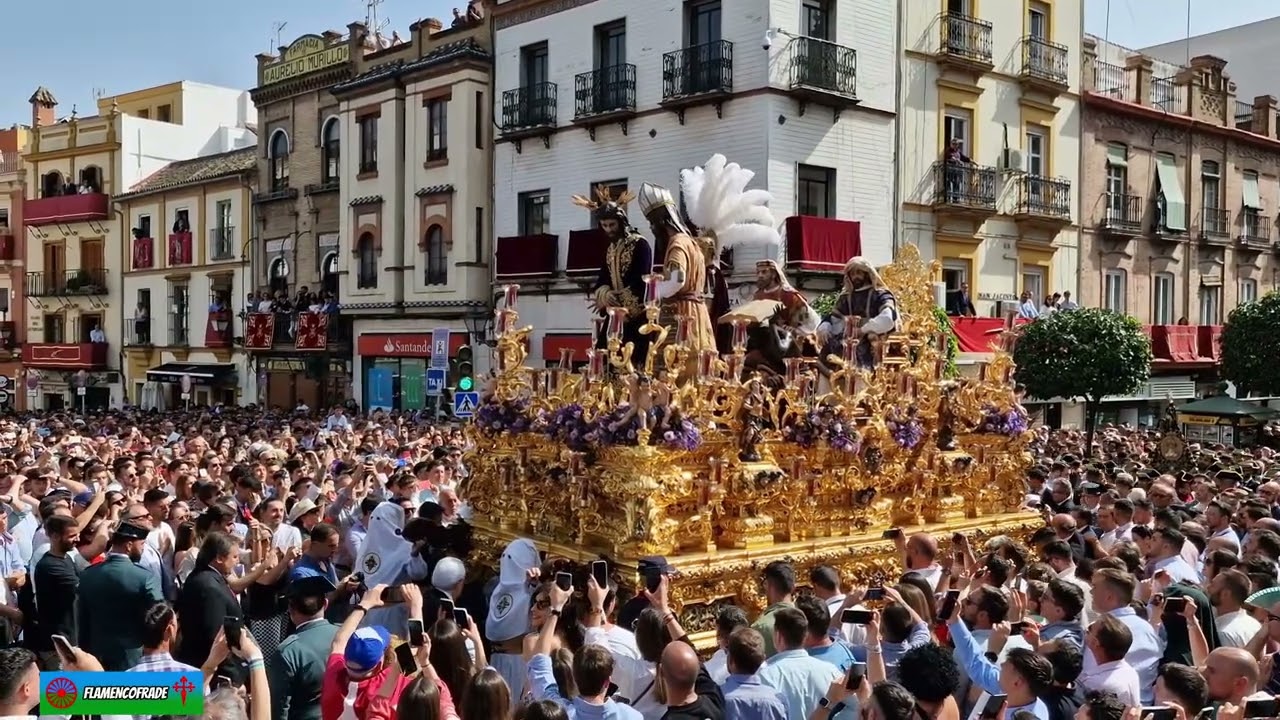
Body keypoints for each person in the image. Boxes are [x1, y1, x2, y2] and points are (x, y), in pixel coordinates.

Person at [639, 181, 715, 371]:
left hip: (682, 312)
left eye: (651, 223)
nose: (652, 228)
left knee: (677, 368)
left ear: (660, 221)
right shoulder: (692, 243)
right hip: (698, 312)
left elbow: (678, 280)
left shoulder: (677, 244)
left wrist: (653, 291)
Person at [573, 185, 652, 365]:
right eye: (604, 226)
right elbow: (603, 278)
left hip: (635, 317)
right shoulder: (611, 249)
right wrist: (605, 293)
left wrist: (618, 302)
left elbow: (642, 281)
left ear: (621, 222)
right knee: (603, 362)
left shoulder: (640, 245)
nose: (608, 230)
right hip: (613, 315)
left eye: (612, 225)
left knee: (631, 364)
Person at [76, 520, 164, 671]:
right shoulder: (144, 577)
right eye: (142, 544)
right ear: (129, 545)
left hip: (94, 655)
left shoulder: (87, 574)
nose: (143, 549)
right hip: (131, 656)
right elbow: (160, 614)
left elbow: (81, 618)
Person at [269, 567, 340, 720]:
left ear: (290, 609)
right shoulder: (345, 635)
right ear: (325, 604)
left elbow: (279, 709)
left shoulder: (288, 652)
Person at [816, 257, 899, 370]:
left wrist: (862, 330)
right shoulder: (846, 298)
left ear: (867, 273)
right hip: (848, 340)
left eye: (859, 272)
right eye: (852, 274)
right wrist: (825, 327)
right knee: (828, 349)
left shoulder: (880, 295)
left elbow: (887, 319)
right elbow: (835, 320)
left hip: (873, 339)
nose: (855, 276)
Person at [745, 260, 820, 376]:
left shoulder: (789, 295)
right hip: (763, 340)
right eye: (758, 272)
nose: (760, 275)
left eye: (764, 272)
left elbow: (809, 320)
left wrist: (795, 330)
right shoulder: (757, 296)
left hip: (786, 341)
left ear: (774, 274)